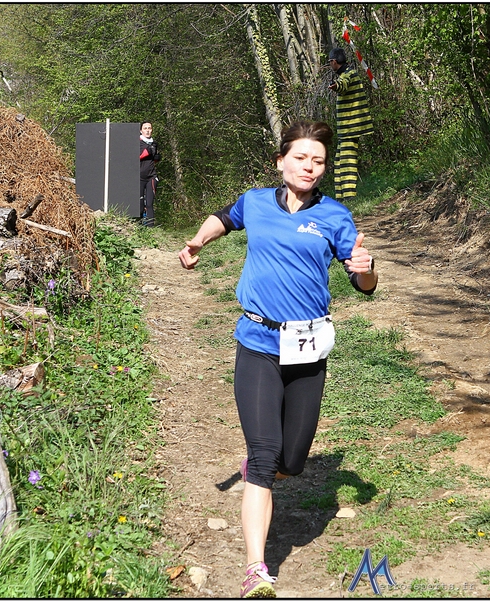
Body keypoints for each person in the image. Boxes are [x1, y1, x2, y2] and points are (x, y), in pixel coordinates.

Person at [178, 121, 378, 598]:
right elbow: (224, 218)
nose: (309, 167)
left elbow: (363, 283)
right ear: (281, 161)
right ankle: (256, 570)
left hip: (307, 346)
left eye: (318, 160)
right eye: (301, 157)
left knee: (293, 459)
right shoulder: (255, 202)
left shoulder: (335, 216)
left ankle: (262, 470)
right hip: (258, 341)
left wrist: (367, 270)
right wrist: (198, 241)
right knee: (266, 456)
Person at [327, 47, 373, 203]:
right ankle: (340, 199)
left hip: (351, 128)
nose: (330, 65)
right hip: (346, 130)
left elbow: (343, 84)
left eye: (330, 62)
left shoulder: (349, 74)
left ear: (334, 61)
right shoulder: (347, 73)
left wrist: (336, 86)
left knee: (347, 161)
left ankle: (349, 197)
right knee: (339, 162)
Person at [139, 121, 161, 226]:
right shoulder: (138, 142)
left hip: (151, 176)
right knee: (139, 204)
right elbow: (137, 157)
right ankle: (137, 227)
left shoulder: (154, 144)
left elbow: (153, 160)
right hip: (139, 177)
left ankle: (151, 228)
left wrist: (156, 158)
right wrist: (148, 151)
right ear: (141, 131)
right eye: (145, 128)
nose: (147, 130)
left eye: (149, 128)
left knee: (149, 204)